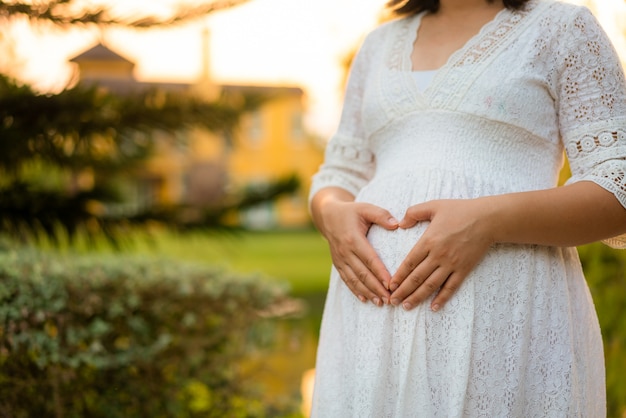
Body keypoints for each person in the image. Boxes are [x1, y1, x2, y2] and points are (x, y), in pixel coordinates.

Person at [308, 0, 626, 415]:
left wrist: (487, 221)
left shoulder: (563, 27)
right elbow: (340, 172)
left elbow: (616, 188)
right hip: (368, 328)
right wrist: (330, 212)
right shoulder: (378, 44)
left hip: (508, 325)